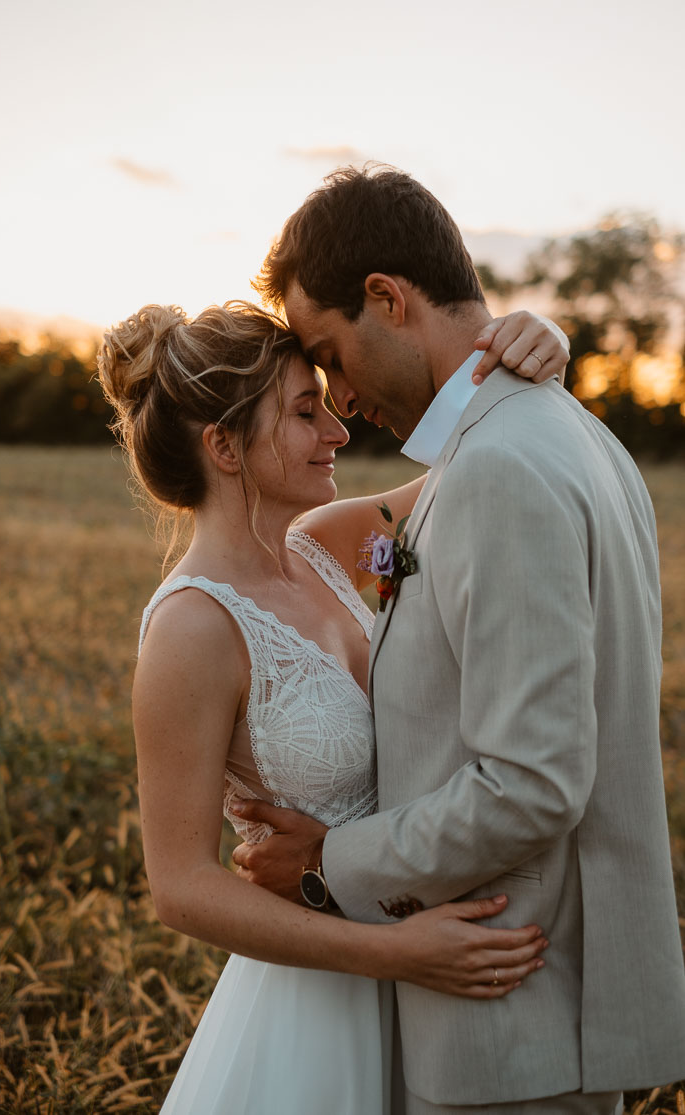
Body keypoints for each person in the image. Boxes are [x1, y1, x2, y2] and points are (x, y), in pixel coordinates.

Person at [233, 164, 685, 1114]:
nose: (340, 396)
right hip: (546, 1006)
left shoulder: (497, 468)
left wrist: (326, 864)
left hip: (512, 1011)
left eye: (331, 355)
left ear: (387, 298)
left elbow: (531, 782)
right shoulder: (578, 436)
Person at [98, 298, 571, 1113]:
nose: (338, 431)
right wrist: (393, 953)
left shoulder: (336, 546)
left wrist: (541, 350)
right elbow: (180, 886)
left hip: (425, 971)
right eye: (304, 412)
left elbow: (475, 468)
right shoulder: (191, 630)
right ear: (224, 447)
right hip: (319, 1003)